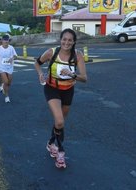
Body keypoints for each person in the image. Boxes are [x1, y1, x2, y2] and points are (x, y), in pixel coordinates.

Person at [34, 28, 87, 168]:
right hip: (52, 89)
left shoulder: (78, 55)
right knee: (59, 121)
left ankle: (51, 143)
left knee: (60, 123)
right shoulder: (52, 52)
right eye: (64, 39)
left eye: (70, 40)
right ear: (60, 40)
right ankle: (60, 153)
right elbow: (37, 63)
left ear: (74, 41)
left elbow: (84, 78)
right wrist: (40, 74)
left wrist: (72, 74)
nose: (67, 42)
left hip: (68, 90)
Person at [0, 35, 17, 103]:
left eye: (7, 40)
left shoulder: (11, 48)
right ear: (2, 41)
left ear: (9, 41)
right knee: (5, 81)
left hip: (10, 67)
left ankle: (4, 88)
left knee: (9, 83)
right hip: (1, 67)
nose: (6, 41)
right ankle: (6, 96)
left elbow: (15, 56)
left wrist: (12, 58)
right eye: (4, 40)